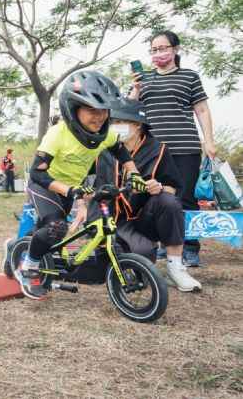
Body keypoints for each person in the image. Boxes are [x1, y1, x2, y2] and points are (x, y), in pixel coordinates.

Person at [15, 70, 148, 300]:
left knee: (46, 231)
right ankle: (29, 266)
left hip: (72, 189)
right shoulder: (57, 135)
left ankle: (18, 247)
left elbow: (121, 151)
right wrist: (71, 191)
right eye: (92, 110)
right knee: (56, 227)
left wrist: (135, 175)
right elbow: (37, 175)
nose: (99, 117)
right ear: (73, 109)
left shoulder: (103, 134)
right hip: (47, 187)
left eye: (104, 111)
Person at [93, 99, 201, 291]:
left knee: (169, 202)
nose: (113, 127)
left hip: (142, 218)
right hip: (109, 218)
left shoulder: (158, 150)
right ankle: (122, 253)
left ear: (136, 125)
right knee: (139, 259)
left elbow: (171, 187)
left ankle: (175, 270)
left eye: (119, 122)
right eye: (112, 122)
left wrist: (158, 187)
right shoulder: (102, 148)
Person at [129, 30, 216, 267]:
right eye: (154, 50)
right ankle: (158, 245)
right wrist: (135, 88)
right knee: (154, 198)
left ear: (176, 49)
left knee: (186, 198)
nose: (159, 54)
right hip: (152, 151)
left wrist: (209, 141)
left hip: (184, 146)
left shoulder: (189, 76)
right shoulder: (145, 78)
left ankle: (189, 248)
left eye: (163, 48)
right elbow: (129, 111)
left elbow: (202, 110)